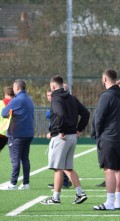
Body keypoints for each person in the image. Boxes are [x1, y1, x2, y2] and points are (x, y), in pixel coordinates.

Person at [40, 76, 90, 204]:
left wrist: (60, 129)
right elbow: (86, 113)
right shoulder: (72, 98)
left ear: (53, 86)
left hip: (61, 137)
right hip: (72, 136)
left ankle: (55, 198)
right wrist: (79, 128)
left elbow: (60, 114)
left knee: (58, 168)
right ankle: (80, 193)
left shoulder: (56, 98)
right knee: (68, 168)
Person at [93, 69, 120, 211]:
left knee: (109, 170)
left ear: (105, 79)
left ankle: (109, 202)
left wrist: (98, 133)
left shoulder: (107, 96)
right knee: (118, 169)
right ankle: (117, 202)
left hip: (109, 137)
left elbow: (98, 117)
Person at [0, 79, 34, 190]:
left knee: (15, 159)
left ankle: (13, 184)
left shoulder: (17, 99)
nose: (13, 89)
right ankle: (25, 183)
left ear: (17, 88)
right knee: (25, 158)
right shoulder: (29, 99)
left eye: (14, 87)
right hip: (28, 133)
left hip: (17, 134)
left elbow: (3, 113)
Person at [45, 87, 72, 190]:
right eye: (47, 95)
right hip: (59, 135)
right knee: (61, 164)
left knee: (60, 164)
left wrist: (55, 133)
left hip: (61, 137)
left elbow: (56, 116)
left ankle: (64, 182)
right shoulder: (55, 104)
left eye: (50, 95)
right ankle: (64, 182)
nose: (49, 97)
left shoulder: (57, 105)